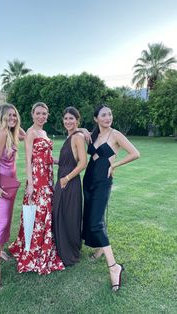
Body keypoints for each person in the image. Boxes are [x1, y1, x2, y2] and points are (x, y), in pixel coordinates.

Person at [82, 104, 140, 292]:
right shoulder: (94, 134)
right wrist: (83, 130)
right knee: (91, 216)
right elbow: (83, 143)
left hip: (103, 181)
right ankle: (99, 249)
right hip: (88, 179)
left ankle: (114, 267)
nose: (108, 118)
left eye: (110, 114)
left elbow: (135, 153)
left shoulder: (115, 135)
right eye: (103, 115)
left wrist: (115, 165)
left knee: (96, 222)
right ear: (96, 118)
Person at [9, 102, 64, 275]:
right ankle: (33, 249)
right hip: (37, 179)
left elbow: (47, 156)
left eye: (44, 114)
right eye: (38, 113)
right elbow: (28, 160)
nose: (41, 116)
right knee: (38, 213)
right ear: (32, 114)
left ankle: (44, 245)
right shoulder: (31, 133)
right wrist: (31, 184)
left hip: (47, 177)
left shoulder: (45, 132)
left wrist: (61, 162)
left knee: (46, 211)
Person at [0, 104, 25, 289]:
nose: (13, 118)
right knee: (0, 222)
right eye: (9, 115)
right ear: (1, 116)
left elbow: (26, 136)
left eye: (15, 115)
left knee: (6, 221)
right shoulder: (1, 133)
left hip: (9, 185)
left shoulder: (11, 132)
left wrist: (15, 123)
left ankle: (0, 249)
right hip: (1, 186)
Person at [53, 107, 87, 266]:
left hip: (69, 182)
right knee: (61, 213)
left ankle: (70, 250)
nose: (68, 121)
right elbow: (71, 160)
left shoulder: (78, 137)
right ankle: (61, 246)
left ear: (77, 121)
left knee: (68, 215)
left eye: (71, 119)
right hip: (63, 180)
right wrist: (57, 161)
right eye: (65, 118)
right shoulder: (70, 136)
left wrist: (66, 178)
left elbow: (83, 163)